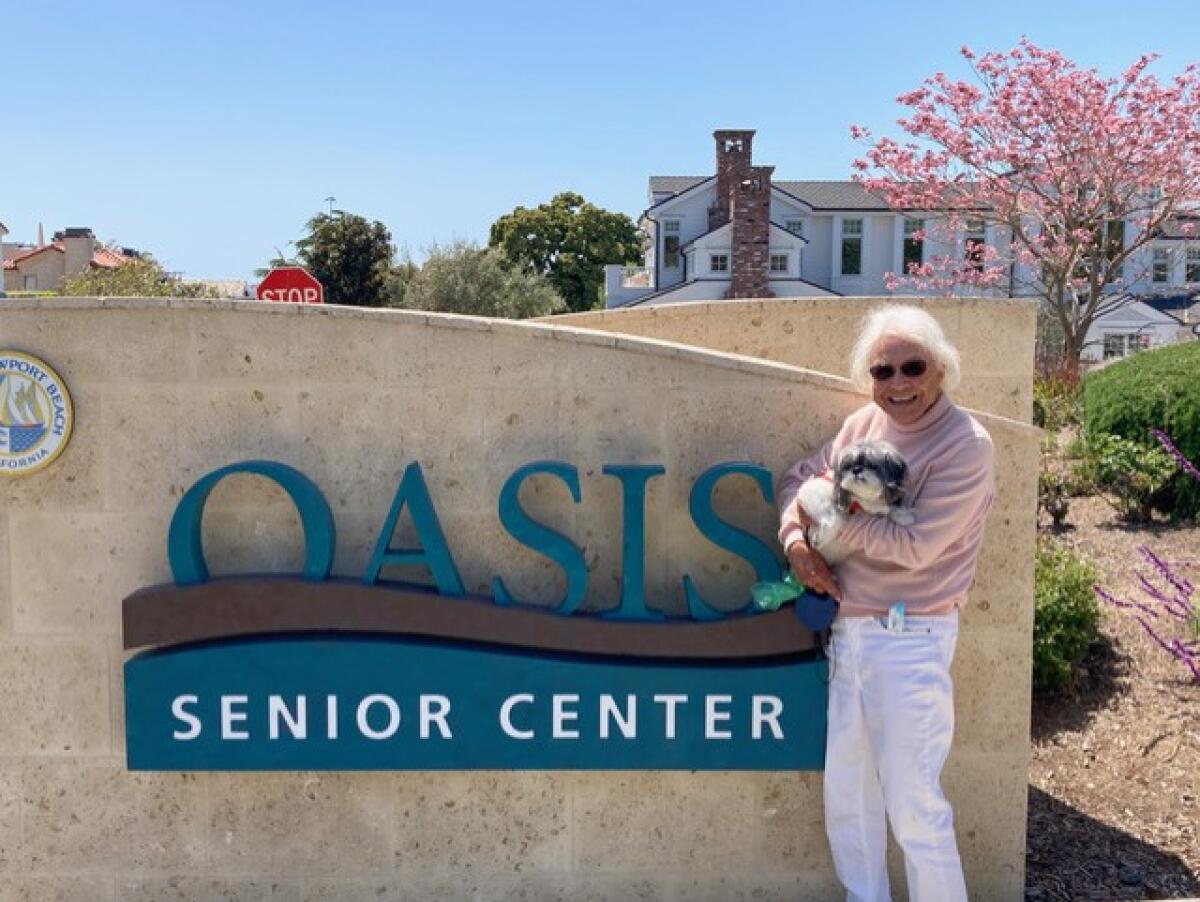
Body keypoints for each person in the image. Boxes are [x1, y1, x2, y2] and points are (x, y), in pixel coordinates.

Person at [776, 305, 995, 902]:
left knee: (913, 802)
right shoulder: (862, 427)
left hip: (912, 640)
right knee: (850, 794)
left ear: (939, 370)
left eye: (911, 367)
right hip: (851, 632)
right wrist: (796, 540)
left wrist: (831, 516)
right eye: (882, 371)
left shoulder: (965, 446)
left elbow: (916, 545)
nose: (896, 383)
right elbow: (797, 479)